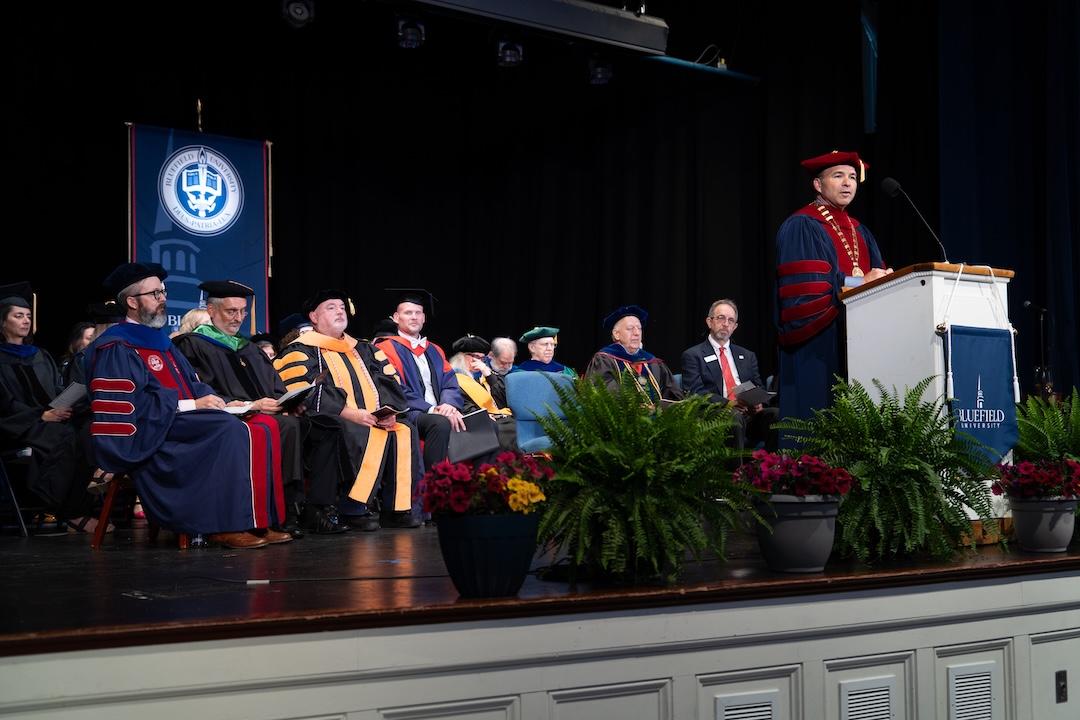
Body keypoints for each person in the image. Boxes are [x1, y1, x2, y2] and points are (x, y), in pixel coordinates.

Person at [83, 263, 290, 549]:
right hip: (149, 435)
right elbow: (130, 408)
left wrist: (225, 402)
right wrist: (193, 404)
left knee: (261, 425)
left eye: (163, 292)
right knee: (228, 430)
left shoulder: (162, 344)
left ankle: (258, 521)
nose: (163, 298)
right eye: (154, 293)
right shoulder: (116, 347)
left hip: (178, 423)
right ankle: (224, 526)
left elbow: (194, 384)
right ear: (132, 302)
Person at [173, 280, 342, 537]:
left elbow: (275, 386)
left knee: (326, 426)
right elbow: (200, 392)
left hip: (269, 412)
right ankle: (282, 513)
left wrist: (288, 403)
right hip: (234, 418)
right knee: (286, 427)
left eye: (243, 311)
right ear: (211, 310)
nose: (239, 317)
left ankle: (317, 509)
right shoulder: (192, 345)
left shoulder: (249, 347)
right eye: (231, 311)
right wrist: (252, 405)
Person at [274, 289, 421, 530]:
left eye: (342, 307)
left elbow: (388, 381)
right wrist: (350, 413)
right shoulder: (301, 349)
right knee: (352, 428)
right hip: (328, 419)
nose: (340, 311)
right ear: (314, 316)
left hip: (371, 417)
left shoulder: (364, 348)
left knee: (404, 429)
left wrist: (388, 411)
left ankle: (395, 509)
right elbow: (304, 389)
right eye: (331, 307)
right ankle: (353, 508)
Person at [775, 151, 893, 425]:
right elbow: (807, 289)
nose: (847, 183)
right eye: (838, 176)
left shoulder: (860, 230)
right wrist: (858, 282)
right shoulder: (802, 225)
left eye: (852, 177)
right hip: (819, 343)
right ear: (818, 184)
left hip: (862, 339)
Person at [0, 282, 101, 530]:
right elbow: (4, 403)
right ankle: (62, 509)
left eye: (28, 316)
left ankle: (76, 506)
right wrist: (42, 415)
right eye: (18, 316)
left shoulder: (40, 355)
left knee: (89, 431)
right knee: (66, 436)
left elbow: (56, 390)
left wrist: (66, 404)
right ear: (3, 321)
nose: (25, 321)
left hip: (51, 418)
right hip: (17, 425)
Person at [375, 291, 462, 471]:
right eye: (408, 313)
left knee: (487, 425)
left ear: (424, 318)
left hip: (440, 410)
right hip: (408, 412)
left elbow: (450, 382)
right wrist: (432, 409)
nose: (414, 317)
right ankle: (431, 486)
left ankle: (479, 490)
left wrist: (448, 405)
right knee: (439, 423)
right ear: (396, 318)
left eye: (418, 313)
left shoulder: (435, 350)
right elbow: (394, 388)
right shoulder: (384, 348)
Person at [681, 299, 779, 451]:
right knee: (733, 416)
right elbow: (695, 392)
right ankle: (736, 474)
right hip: (718, 416)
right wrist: (728, 404)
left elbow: (757, 385)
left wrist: (759, 404)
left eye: (731, 320)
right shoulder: (693, 355)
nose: (726, 323)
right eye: (721, 318)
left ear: (735, 327)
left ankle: (771, 471)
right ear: (709, 322)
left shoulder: (747, 355)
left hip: (749, 415)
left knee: (775, 415)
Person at [586, 305, 682, 404]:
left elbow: (674, 395)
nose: (637, 333)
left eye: (639, 328)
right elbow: (604, 394)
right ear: (616, 334)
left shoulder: (653, 362)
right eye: (630, 328)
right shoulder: (604, 360)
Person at [449, 334, 517, 450]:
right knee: (508, 429)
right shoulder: (453, 378)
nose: (478, 361)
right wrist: (484, 415)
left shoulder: (485, 376)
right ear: (461, 356)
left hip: (499, 417)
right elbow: (462, 405)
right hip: (475, 422)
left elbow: (504, 399)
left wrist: (489, 375)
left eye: (481, 358)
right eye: (474, 356)